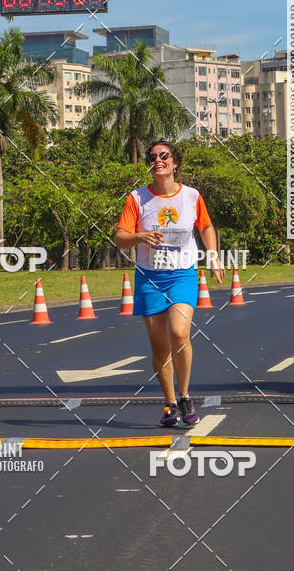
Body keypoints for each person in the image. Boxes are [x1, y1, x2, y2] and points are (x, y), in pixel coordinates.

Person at [114, 140, 225, 428]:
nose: (158, 161)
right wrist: (140, 237)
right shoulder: (137, 198)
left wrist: (213, 255)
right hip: (150, 277)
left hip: (182, 274)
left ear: (175, 162)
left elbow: (206, 226)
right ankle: (170, 403)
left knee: (179, 333)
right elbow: (120, 237)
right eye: (152, 157)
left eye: (164, 156)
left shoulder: (191, 196)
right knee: (160, 348)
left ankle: (185, 395)